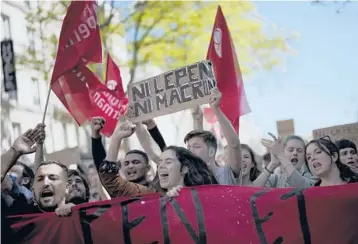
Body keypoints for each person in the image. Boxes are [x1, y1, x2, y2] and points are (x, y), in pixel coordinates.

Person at [184, 88, 242, 185]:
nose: (190, 151)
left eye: (196, 147)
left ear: (211, 152)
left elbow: (234, 145)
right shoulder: (191, 178)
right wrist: (197, 120)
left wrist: (216, 108)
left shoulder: (226, 175)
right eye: (188, 147)